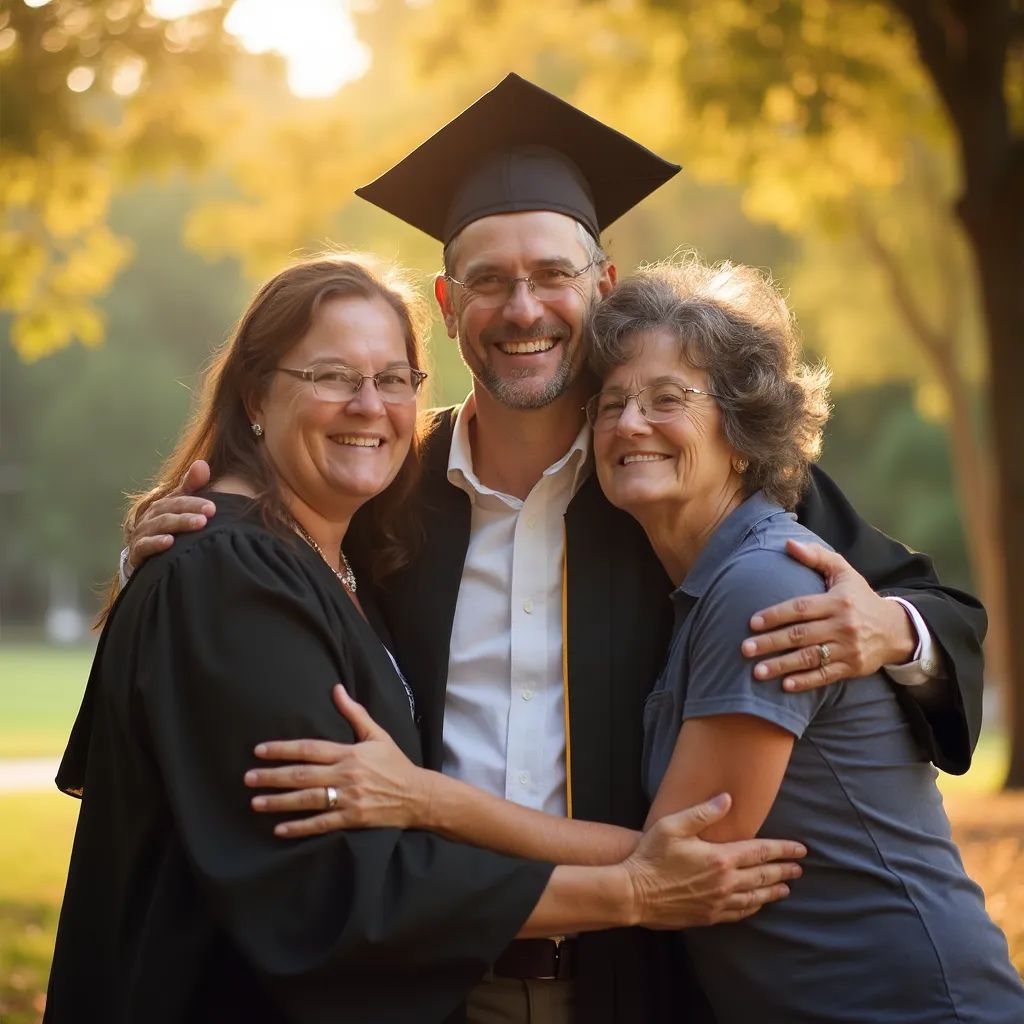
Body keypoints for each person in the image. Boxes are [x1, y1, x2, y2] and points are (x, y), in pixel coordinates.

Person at [122, 75, 987, 1023]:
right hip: (433, 977)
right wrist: (173, 550)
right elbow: (260, 586)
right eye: (488, 280)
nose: (522, 308)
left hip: (648, 980)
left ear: (602, 288)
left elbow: (940, 614)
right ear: (449, 306)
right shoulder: (382, 489)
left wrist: (892, 631)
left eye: (552, 275)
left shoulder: (677, 476)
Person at [243, 255, 1024, 1024]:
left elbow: (685, 859)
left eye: (666, 398)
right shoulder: (409, 478)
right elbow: (295, 474)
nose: (629, 424)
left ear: (744, 429)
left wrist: (419, 800)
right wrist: (206, 512)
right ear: (450, 304)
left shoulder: (765, 582)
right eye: (610, 403)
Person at [45, 254, 807, 1024]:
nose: (368, 407)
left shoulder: (347, 546)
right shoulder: (232, 574)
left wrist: (896, 626)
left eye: (393, 380)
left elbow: (806, 530)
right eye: (332, 377)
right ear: (255, 395)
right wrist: (632, 889)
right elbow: (332, 883)